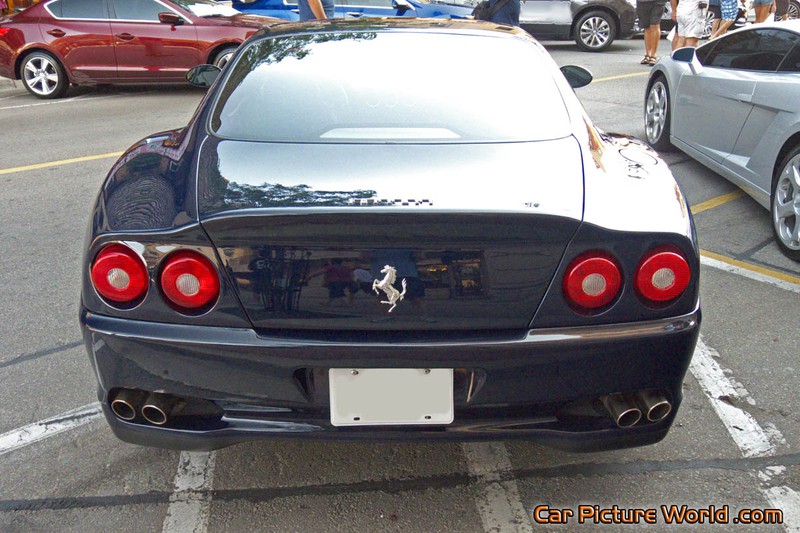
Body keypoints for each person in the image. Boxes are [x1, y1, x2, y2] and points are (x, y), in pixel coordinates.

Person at [637, 0, 667, 65]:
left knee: (654, 25)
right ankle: (648, 54)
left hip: (658, 2)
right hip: (643, 2)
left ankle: (653, 55)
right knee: (647, 27)